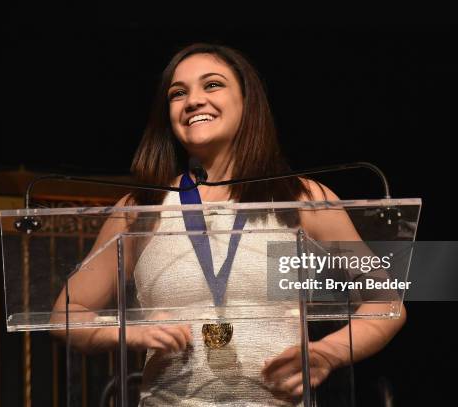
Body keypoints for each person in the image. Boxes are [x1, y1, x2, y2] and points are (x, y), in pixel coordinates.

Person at [52, 43, 406, 406]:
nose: (193, 101)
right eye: (178, 93)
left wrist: (328, 353)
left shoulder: (302, 200)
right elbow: (66, 313)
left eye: (212, 85)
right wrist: (127, 330)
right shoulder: (140, 209)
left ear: (246, 102)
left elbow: (387, 304)